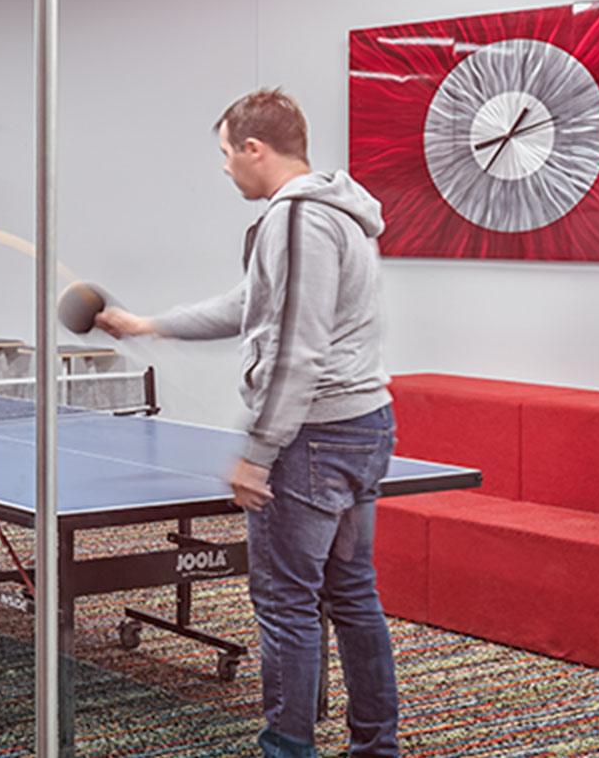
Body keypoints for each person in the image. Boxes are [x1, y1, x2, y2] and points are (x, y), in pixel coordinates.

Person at [93, 89, 399, 758]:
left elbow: (295, 346)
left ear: (256, 149)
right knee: (351, 594)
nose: (225, 167)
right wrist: (152, 324)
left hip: (312, 439)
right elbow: (252, 304)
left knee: (287, 604)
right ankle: (376, 747)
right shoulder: (338, 213)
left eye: (228, 152)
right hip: (365, 426)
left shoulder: (295, 219)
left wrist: (258, 451)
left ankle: (286, 750)